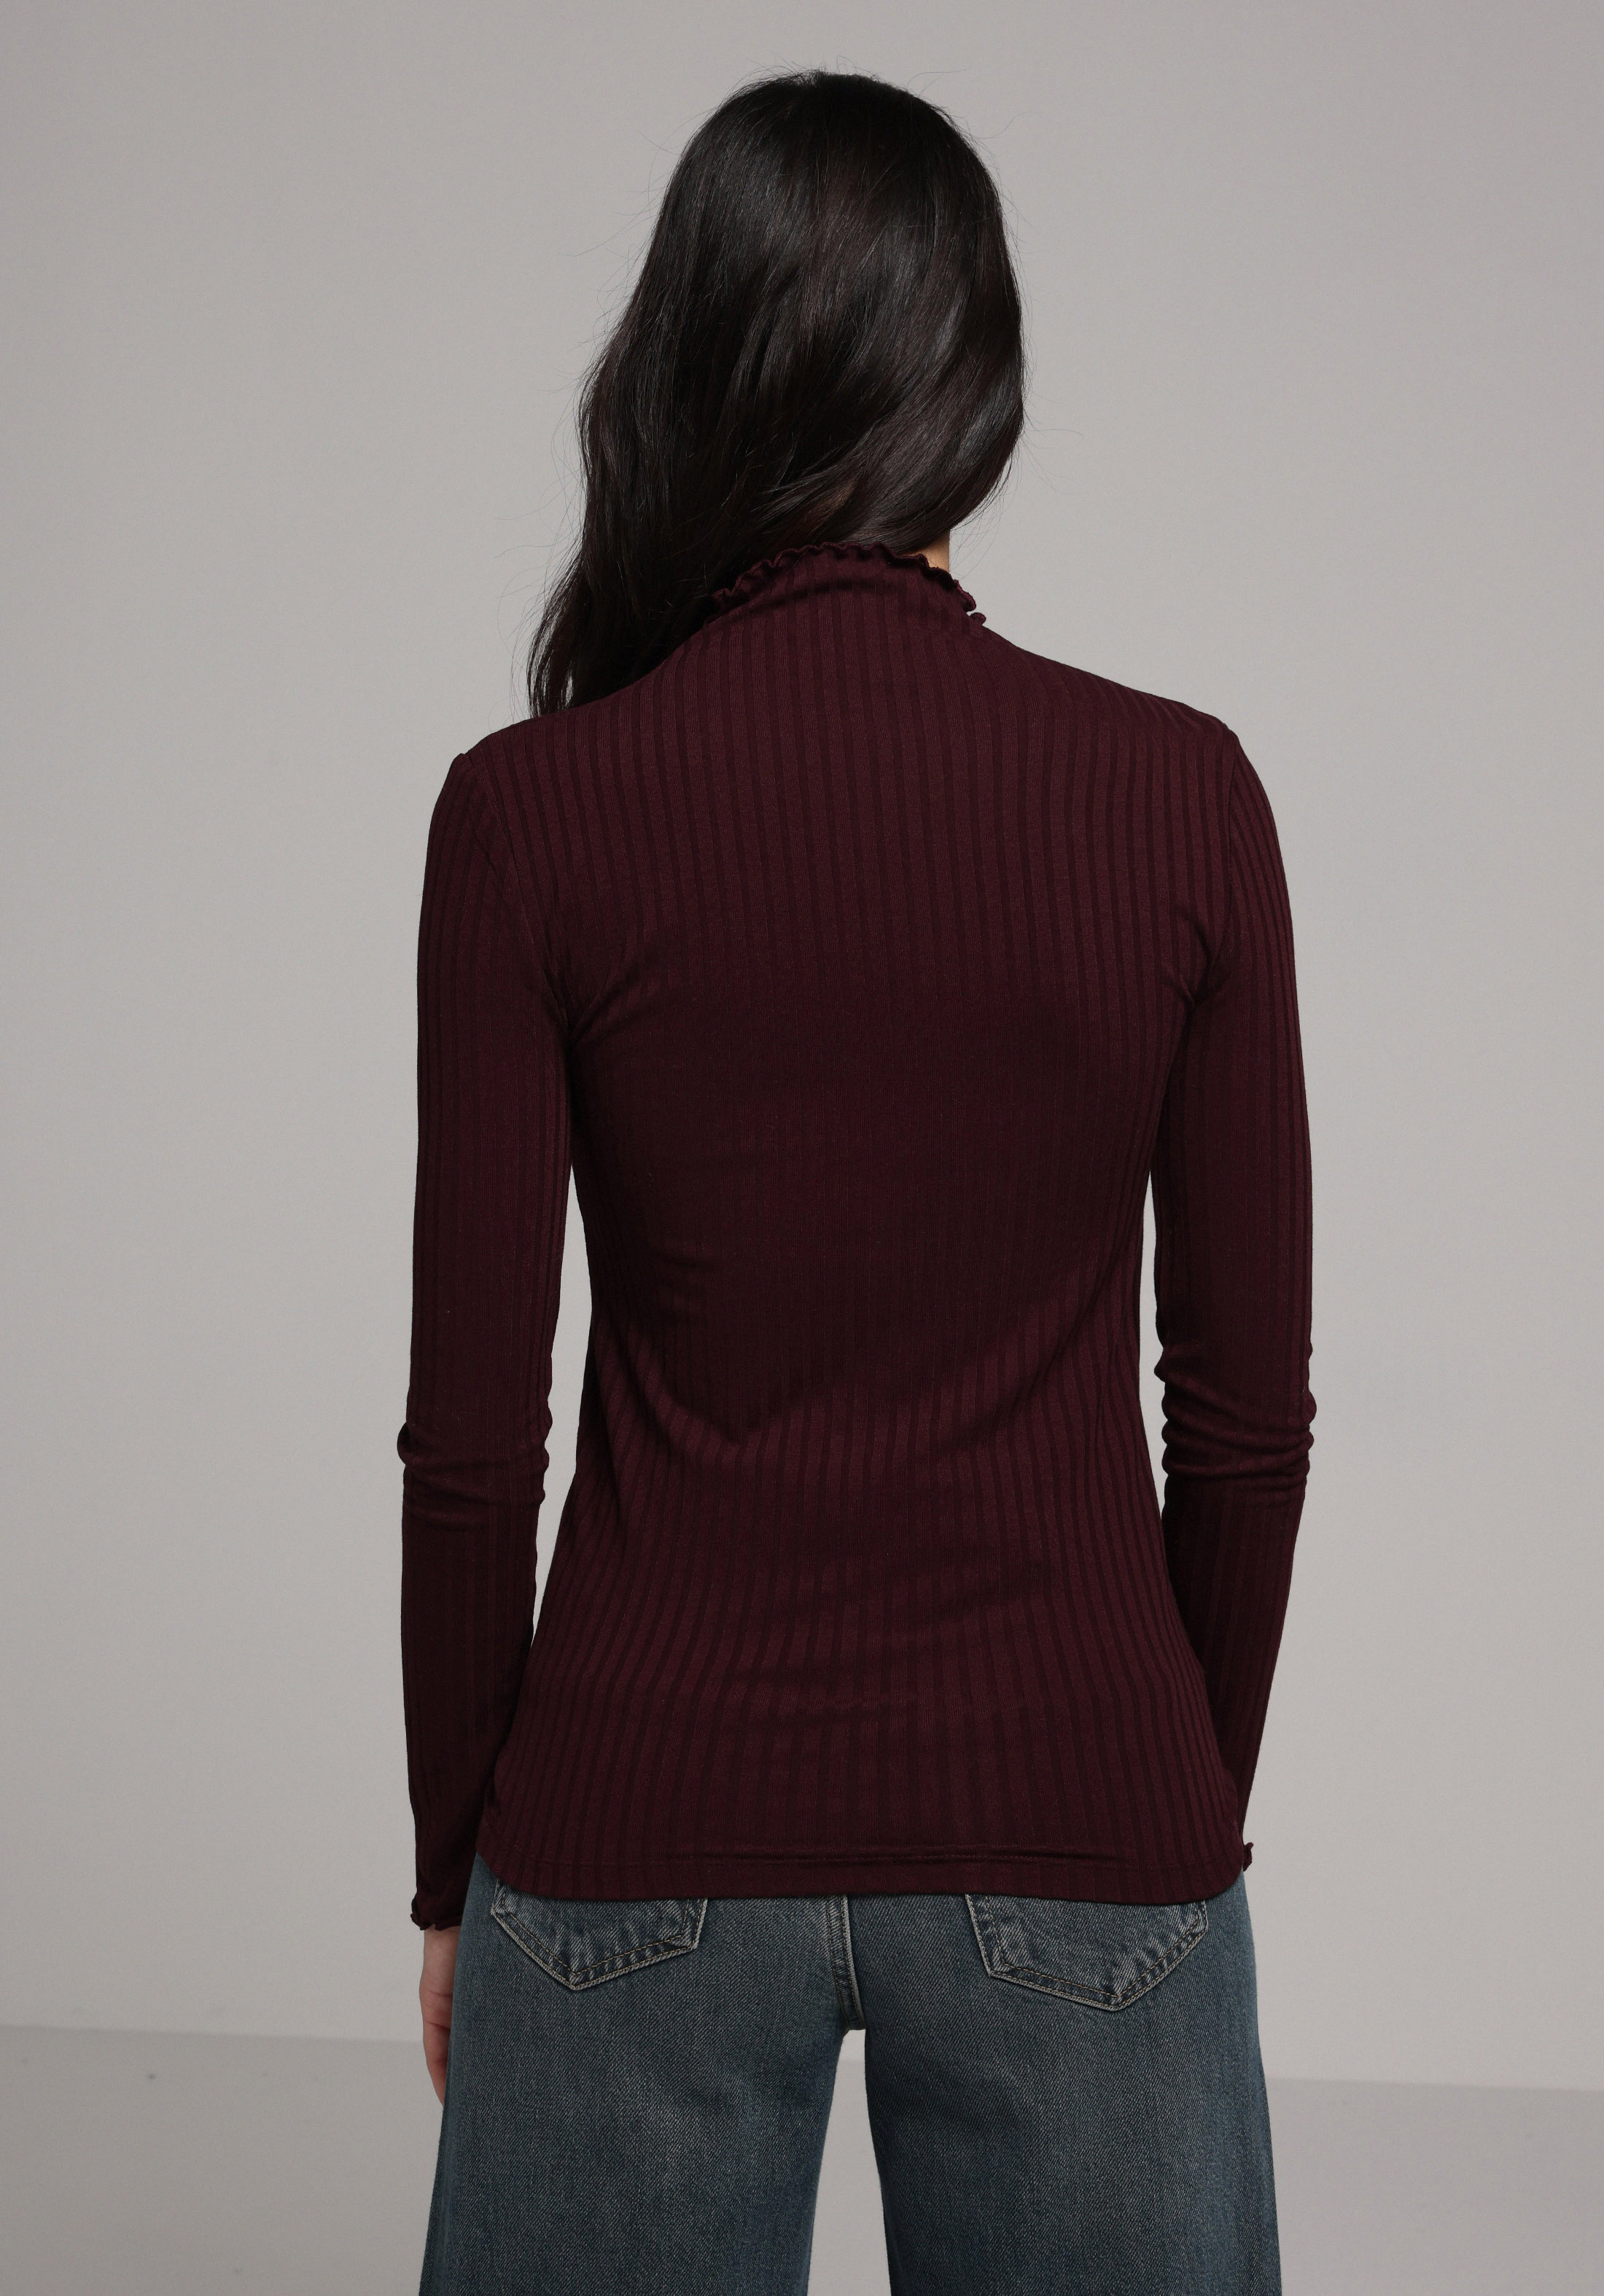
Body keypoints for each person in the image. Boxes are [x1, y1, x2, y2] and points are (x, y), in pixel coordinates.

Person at [396, 66, 1315, 2296]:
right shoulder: (1180, 796)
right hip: (1083, 1799)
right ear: (975, 382)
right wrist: (1157, 1811)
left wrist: (453, 1876)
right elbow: (1244, 1418)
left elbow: (475, 1438)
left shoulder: (534, 812)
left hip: (634, 1824)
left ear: (679, 363)